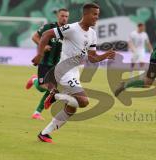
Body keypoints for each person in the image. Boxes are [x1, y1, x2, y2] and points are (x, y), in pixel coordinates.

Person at [31, 3, 115, 143]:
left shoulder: (92, 34)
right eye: (94, 14)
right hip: (64, 70)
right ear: (86, 14)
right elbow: (46, 34)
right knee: (83, 101)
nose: (96, 18)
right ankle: (55, 96)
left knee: (73, 106)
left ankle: (44, 133)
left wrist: (105, 55)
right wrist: (39, 54)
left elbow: (92, 57)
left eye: (98, 15)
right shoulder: (72, 28)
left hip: (75, 71)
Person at [25, 8, 69, 120]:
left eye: (66, 16)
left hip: (56, 64)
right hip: (44, 62)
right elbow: (34, 37)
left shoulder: (68, 31)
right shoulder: (49, 27)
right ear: (58, 16)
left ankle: (37, 113)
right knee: (42, 88)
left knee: (52, 89)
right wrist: (43, 46)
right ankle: (35, 80)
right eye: (62, 16)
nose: (64, 18)